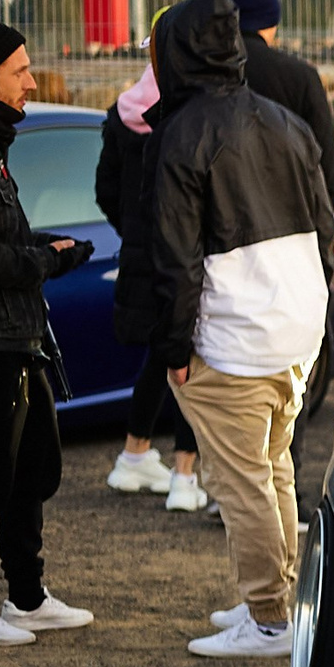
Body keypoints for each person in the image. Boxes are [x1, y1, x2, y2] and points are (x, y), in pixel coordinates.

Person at [148, 0, 334, 659]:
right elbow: (323, 228)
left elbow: (174, 258)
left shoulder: (183, 134)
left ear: (178, 52)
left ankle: (268, 619)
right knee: (275, 469)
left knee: (243, 482)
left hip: (233, 338)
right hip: (295, 330)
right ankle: (277, 605)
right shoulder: (287, 122)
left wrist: (172, 347)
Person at [0, 20, 97, 647]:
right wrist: (46, 262)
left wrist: (48, 247)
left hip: (18, 338)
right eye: (20, 72)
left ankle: (27, 597)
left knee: (31, 470)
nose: (31, 84)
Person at [96, 33, 209, 510]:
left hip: (141, 255)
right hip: (183, 254)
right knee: (190, 354)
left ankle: (134, 453)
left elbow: (105, 190)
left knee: (160, 357)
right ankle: (185, 475)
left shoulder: (122, 111)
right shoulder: (187, 113)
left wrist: (135, 233)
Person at [220, 0, 334, 208]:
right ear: (270, 19)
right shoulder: (300, 77)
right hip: (289, 220)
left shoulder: (209, 69)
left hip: (223, 223)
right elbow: (329, 164)